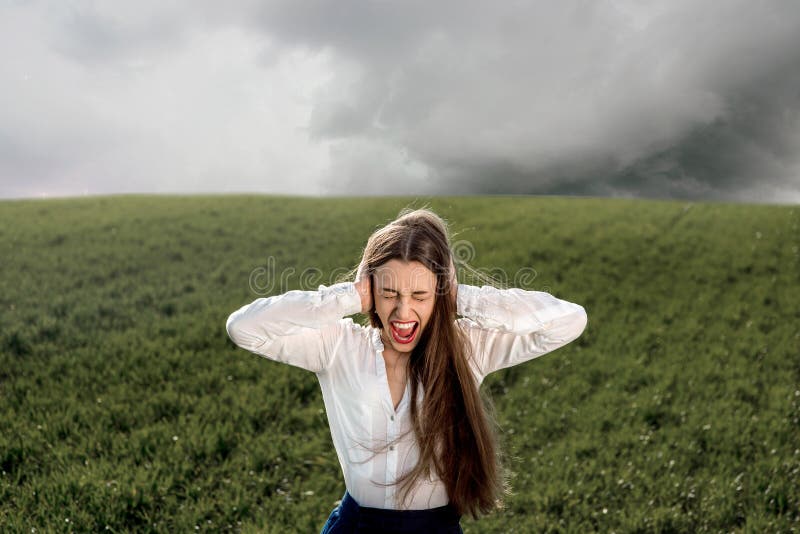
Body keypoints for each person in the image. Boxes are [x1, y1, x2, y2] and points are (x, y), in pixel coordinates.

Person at [225, 207, 588, 533]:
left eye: (419, 296)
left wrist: (463, 298)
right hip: (356, 526)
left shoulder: (470, 347)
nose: (402, 312)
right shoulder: (338, 347)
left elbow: (569, 321)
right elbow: (244, 328)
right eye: (388, 294)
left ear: (440, 292)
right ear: (370, 290)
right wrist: (349, 296)